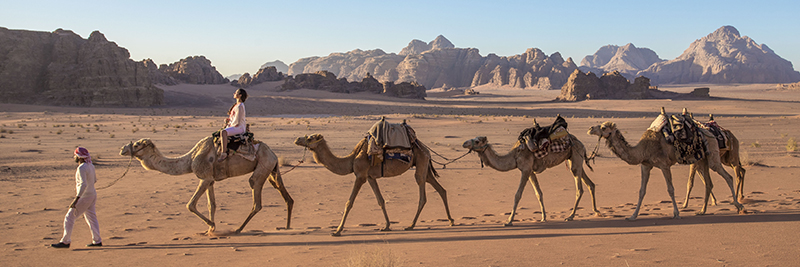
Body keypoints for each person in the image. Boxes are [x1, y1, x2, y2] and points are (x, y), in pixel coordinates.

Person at [51, 147, 102, 248]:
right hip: (92, 195)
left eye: (75, 155)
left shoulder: (82, 168)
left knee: (69, 217)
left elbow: (83, 184)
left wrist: (76, 199)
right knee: (91, 218)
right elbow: (94, 180)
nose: (74, 157)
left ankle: (65, 241)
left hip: (84, 197)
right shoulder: (90, 165)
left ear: (79, 157)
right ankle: (97, 240)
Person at [218, 88, 248, 161]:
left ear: (239, 95)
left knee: (223, 132)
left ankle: (223, 153)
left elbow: (237, 121)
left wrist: (230, 124)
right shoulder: (237, 105)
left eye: (235, 93)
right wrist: (229, 120)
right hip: (235, 125)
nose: (234, 94)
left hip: (238, 127)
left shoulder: (240, 106)